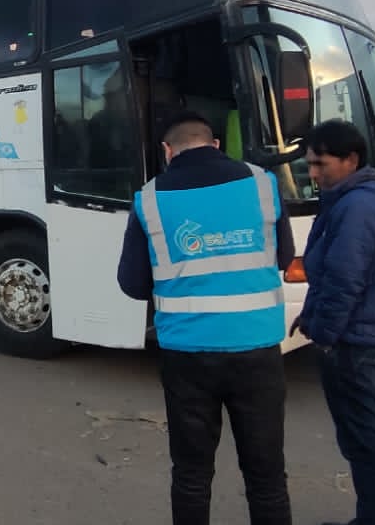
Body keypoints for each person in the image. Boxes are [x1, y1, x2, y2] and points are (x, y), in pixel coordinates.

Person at [117, 110, 296, 525]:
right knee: (267, 477)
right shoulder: (262, 184)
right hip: (258, 350)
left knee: (192, 475)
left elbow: (132, 283)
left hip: (187, 356)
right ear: (215, 144)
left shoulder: (148, 199)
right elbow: (284, 257)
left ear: (167, 151)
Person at [290, 118, 375, 525]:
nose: (314, 173)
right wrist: (310, 315)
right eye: (310, 164)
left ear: (351, 160)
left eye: (322, 164)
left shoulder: (358, 206)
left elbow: (344, 280)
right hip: (358, 336)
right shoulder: (350, 200)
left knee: (365, 440)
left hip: (355, 342)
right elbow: (330, 272)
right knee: (365, 439)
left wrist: (322, 333)